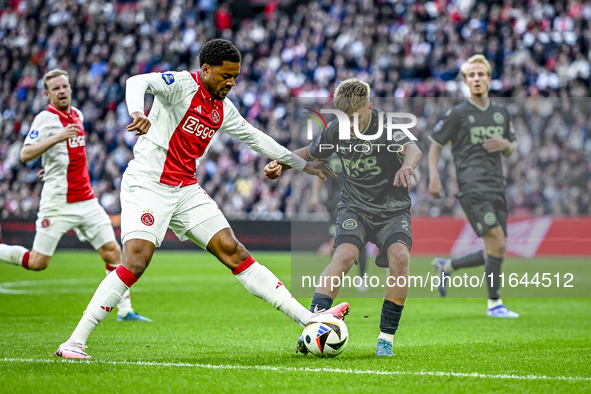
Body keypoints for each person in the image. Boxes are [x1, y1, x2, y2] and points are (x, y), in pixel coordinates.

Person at [54, 39, 348, 359]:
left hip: (186, 189)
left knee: (234, 251)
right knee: (136, 260)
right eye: (225, 75)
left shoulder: (223, 108)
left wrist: (302, 164)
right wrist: (137, 111)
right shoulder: (181, 85)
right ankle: (74, 342)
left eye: (235, 76)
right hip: (148, 184)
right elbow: (136, 81)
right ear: (205, 69)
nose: (231, 82)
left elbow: (255, 137)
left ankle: (310, 320)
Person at [265, 78, 422, 356]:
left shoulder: (386, 126)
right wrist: (281, 163)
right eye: (345, 119)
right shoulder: (336, 130)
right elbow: (310, 153)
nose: (350, 124)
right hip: (355, 208)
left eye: (356, 118)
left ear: (370, 108)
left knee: (400, 258)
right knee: (343, 257)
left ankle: (385, 339)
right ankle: (312, 328)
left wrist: (407, 165)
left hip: (392, 209)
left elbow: (413, 148)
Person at [0, 69, 149, 323]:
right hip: (58, 203)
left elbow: (71, 154)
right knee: (38, 262)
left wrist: (54, 165)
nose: (62, 91)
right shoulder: (45, 120)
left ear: (70, 88)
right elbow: (25, 154)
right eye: (56, 88)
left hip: (88, 201)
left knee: (113, 252)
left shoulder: (77, 115)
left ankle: (125, 311)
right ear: (47, 94)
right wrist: (56, 138)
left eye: (65, 87)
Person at [428, 55, 519, 318]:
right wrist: (434, 176)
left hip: (497, 186)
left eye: (481, 74)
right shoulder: (458, 113)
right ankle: (495, 305)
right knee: (498, 242)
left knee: (496, 248)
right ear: (466, 81)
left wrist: (506, 146)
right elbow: (435, 144)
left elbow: (511, 148)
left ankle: (447, 266)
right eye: (472, 75)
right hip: (472, 187)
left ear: (489, 79)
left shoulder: (501, 113)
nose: (477, 78)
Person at [309, 154, 367, 291]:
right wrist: (315, 196)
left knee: (361, 242)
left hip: (356, 203)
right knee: (334, 241)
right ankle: (334, 277)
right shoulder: (328, 152)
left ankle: (362, 279)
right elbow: (319, 173)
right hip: (334, 204)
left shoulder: (357, 149)